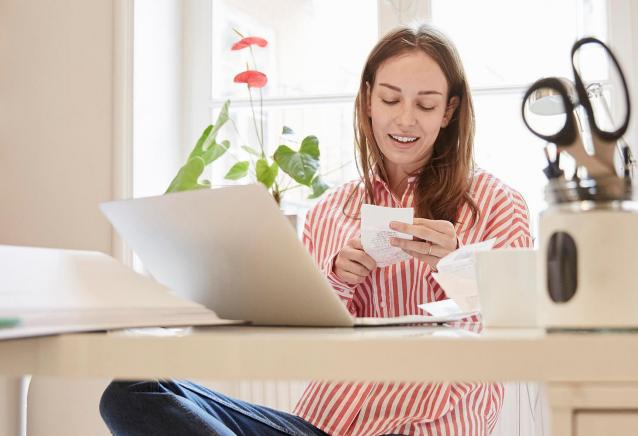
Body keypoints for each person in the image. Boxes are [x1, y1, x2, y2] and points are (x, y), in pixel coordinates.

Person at [100, 24, 532, 436]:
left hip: (422, 427)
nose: (405, 120)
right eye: (390, 99)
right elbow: (303, 342)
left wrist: (459, 265)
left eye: (425, 104)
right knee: (130, 393)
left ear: (449, 111)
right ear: (367, 101)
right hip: (317, 426)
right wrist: (335, 281)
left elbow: (519, 332)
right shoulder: (329, 211)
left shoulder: (498, 204)